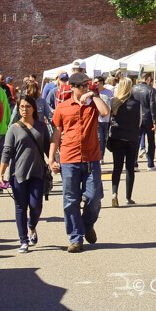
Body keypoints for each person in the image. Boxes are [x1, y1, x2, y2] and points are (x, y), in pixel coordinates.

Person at [49, 72, 110, 253]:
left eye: (86, 85)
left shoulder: (93, 104)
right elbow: (57, 134)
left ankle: (87, 224)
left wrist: (93, 95)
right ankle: (76, 238)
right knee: (70, 200)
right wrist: (52, 158)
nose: (84, 88)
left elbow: (106, 112)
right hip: (69, 158)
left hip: (91, 158)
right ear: (72, 88)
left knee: (94, 198)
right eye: (81, 86)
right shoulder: (63, 107)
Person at [0, 96, 51, 253]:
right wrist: (1, 174)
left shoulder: (41, 126)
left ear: (34, 108)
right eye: (21, 106)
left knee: (36, 205)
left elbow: (49, 147)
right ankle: (23, 240)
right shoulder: (13, 128)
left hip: (37, 172)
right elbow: (6, 152)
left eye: (28, 106)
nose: (24, 109)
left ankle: (32, 226)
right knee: (20, 207)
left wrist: (55, 161)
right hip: (18, 173)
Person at [107, 77, 141, 207]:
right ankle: (128, 197)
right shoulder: (136, 103)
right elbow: (139, 122)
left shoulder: (114, 102)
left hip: (117, 136)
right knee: (129, 168)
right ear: (130, 87)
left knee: (117, 167)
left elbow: (110, 120)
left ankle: (114, 193)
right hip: (131, 137)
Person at [136, 71, 156, 171]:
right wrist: (155, 120)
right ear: (148, 79)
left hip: (136, 117)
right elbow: (153, 106)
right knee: (151, 141)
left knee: (136, 141)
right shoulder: (151, 90)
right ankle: (150, 164)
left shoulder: (133, 89)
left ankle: (134, 164)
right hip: (148, 118)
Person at [94, 76, 112, 160]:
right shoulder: (94, 93)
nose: (95, 84)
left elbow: (112, 105)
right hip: (97, 120)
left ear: (101, 83)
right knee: (99, 138)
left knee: (105, 138)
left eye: (96, 82)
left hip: (107, 120)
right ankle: (99, 157)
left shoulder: (108, 93)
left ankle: (102, 155)